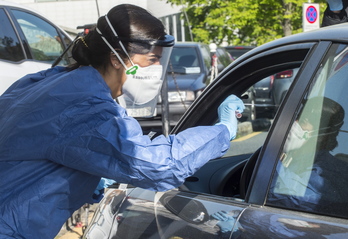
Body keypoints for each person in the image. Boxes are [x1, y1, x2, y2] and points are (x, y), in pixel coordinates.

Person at [0, 4, 244, 238]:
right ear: (116, 59)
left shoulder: (48, 82)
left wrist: (87, 176)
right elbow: (160, 166)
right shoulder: (85, 108)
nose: (158, 68)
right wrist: (222, 131)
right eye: (152, 60)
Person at [268, 96, 348, 216]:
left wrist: (274, 152)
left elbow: (287, 197)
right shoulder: (293, 158)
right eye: (297, 117)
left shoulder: (329, 171)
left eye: (304, 121)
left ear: (321, 135)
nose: (295, 124)